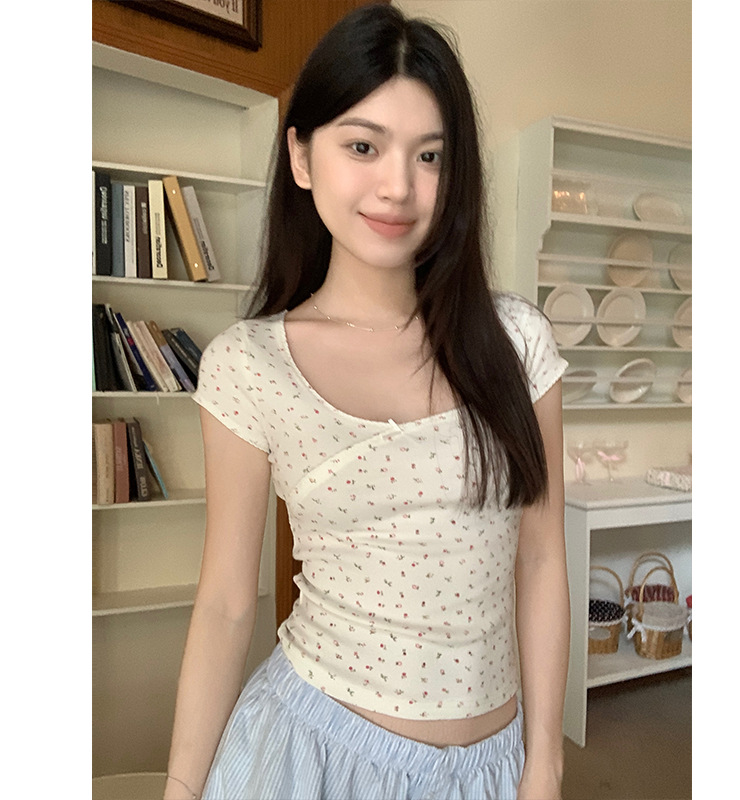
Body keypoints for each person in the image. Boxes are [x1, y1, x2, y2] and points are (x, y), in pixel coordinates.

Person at [163, 4, 570, 799]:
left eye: (430, 155)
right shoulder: (248, 365)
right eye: (363, 145)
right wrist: (181, 787)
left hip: (490, 766)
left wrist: (545, 759)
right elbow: (224, 604)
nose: (398, 186)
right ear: (302, 156)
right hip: (309, 754)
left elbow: (543, 557)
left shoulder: (517, 344)